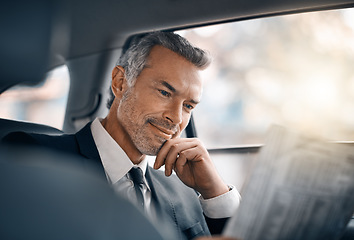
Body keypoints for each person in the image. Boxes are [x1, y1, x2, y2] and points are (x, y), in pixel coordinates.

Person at [3, 32, 240, 239]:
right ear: (120, 83)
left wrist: (215, 193)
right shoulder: (35, 155)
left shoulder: (184, 188)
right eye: (165, 92)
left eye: (188, 106)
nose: (177, 118)